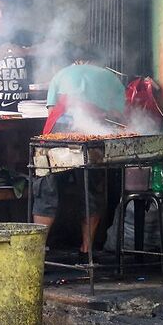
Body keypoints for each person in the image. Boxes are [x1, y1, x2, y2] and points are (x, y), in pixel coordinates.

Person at [32, 45, 126, 262]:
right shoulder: (110, 77)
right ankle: (87, 249)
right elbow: (120, 116)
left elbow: (51, 112)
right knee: (91, 187)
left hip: (59, 133)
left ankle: (37, 249)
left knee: (47, 186)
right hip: (93, 134)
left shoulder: (62, 74)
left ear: (79, 62)